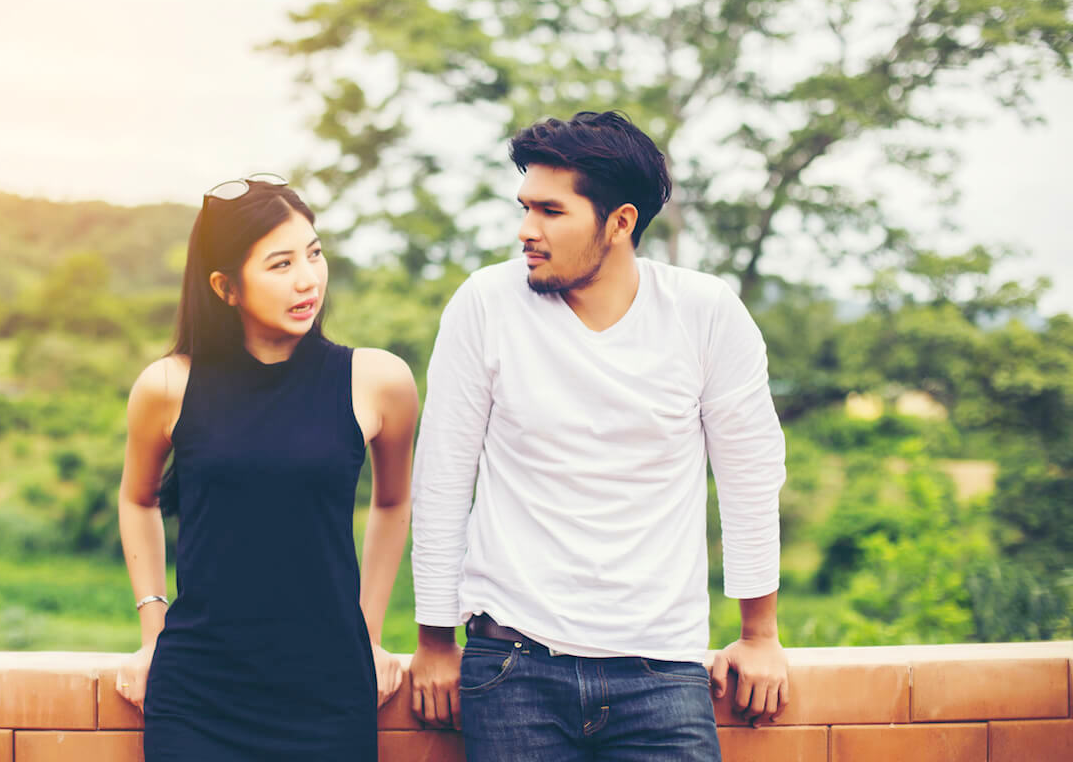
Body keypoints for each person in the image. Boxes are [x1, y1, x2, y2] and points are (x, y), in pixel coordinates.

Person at [408, 112, 790, 761]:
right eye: (525, 207)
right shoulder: (486, 302)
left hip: (661, 666)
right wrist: (434, 642)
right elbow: (443, 476)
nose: (527, 230)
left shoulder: (704, 312)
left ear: (620, 222)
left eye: (551, 211)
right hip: (511, 664)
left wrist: (759, 634)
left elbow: (750, 474)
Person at [114, 174, 418, 761]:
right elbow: (138, 499)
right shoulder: (169, 385)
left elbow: (392, 501)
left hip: (330, 689)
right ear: (226, 287)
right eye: (280, 264)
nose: (308, 278)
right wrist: (153, 633)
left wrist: (369, 635)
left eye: (314, 252)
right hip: (198, 691)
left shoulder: (377, 381)